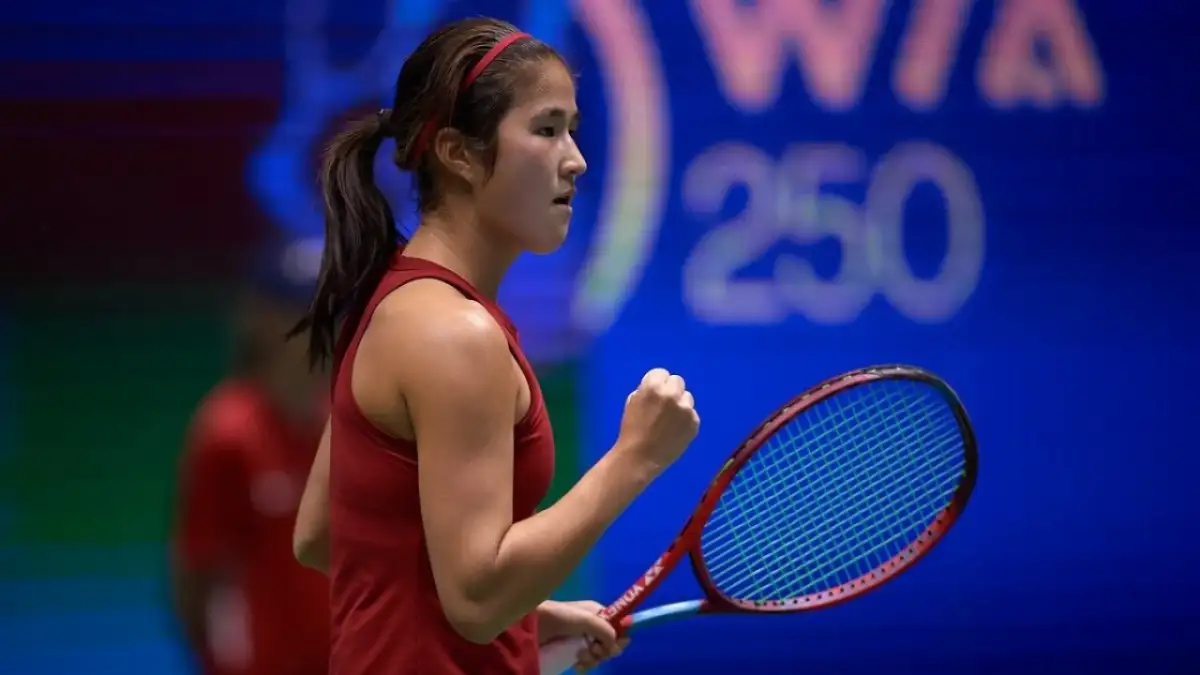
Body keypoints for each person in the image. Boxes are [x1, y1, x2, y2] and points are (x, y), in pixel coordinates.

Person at [287, 17, 700, 675]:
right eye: (546, 129)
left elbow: (324, 534)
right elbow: (476, 599)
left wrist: (528, 614)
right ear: (458, 154)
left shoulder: (395, 302)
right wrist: (634, 459)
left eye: (572, 129)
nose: (576, 159)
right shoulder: (456, 336)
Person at [171, 236, 330, 675]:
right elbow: (196, 569)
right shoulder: (228, 432)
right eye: (301, 311)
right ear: (261, 318)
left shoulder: (350, 423)